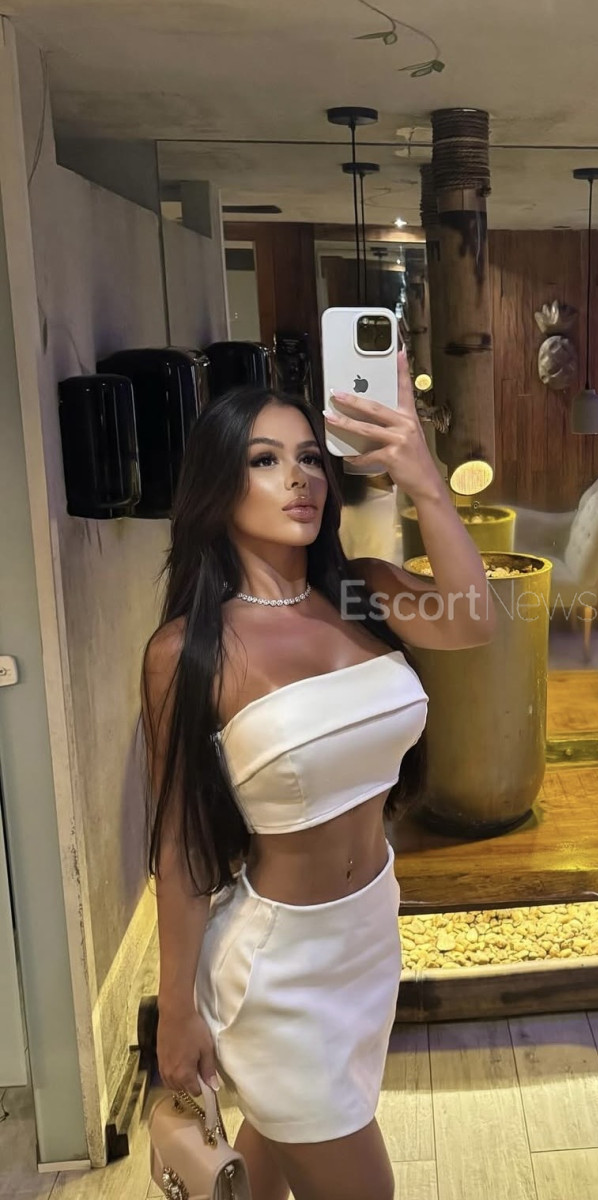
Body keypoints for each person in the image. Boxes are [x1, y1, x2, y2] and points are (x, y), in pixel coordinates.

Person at [142, 351, 493, 1200]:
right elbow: (181, 846)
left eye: (308, 457)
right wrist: (177, 1009)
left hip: (368, 935)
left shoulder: (360, 593)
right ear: (218, 486)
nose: (297, 478)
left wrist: (423, 479)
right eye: (264, 460)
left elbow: (475, 620)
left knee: (277, 1146)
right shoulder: (190, 651)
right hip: (278, 972)